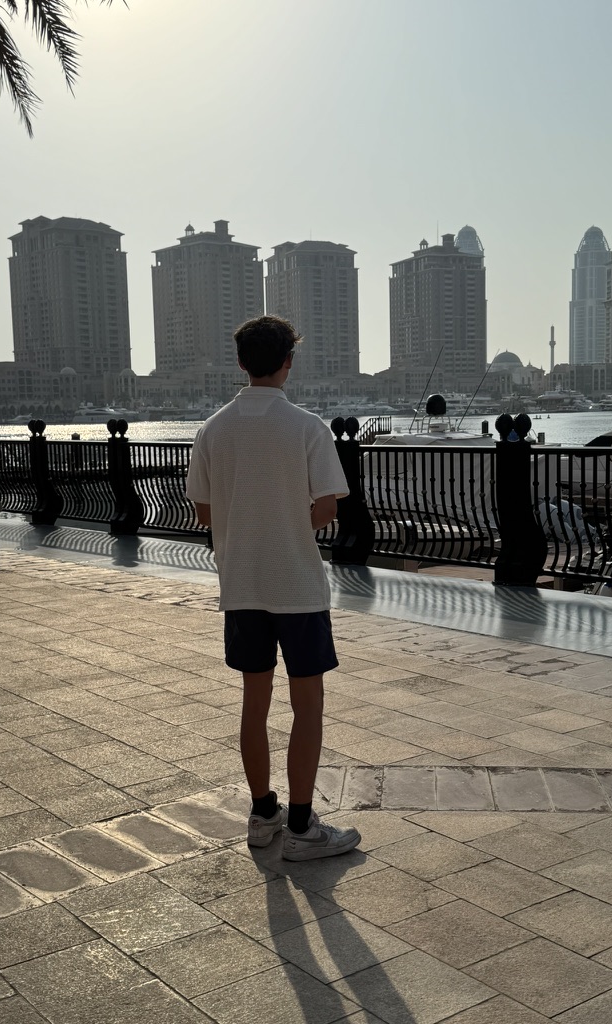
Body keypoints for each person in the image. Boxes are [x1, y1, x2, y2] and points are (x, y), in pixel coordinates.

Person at [186, 315, 361, 861]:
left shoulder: (213, 430)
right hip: (297, 586)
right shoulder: (307, 427)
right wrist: (288, 526)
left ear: (241, 362)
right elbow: (327, 507)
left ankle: (263, 814)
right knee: (307, 706)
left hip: (241, 584)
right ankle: (303, 827)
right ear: (289, 361)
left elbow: (204, 513)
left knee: (253, 705)